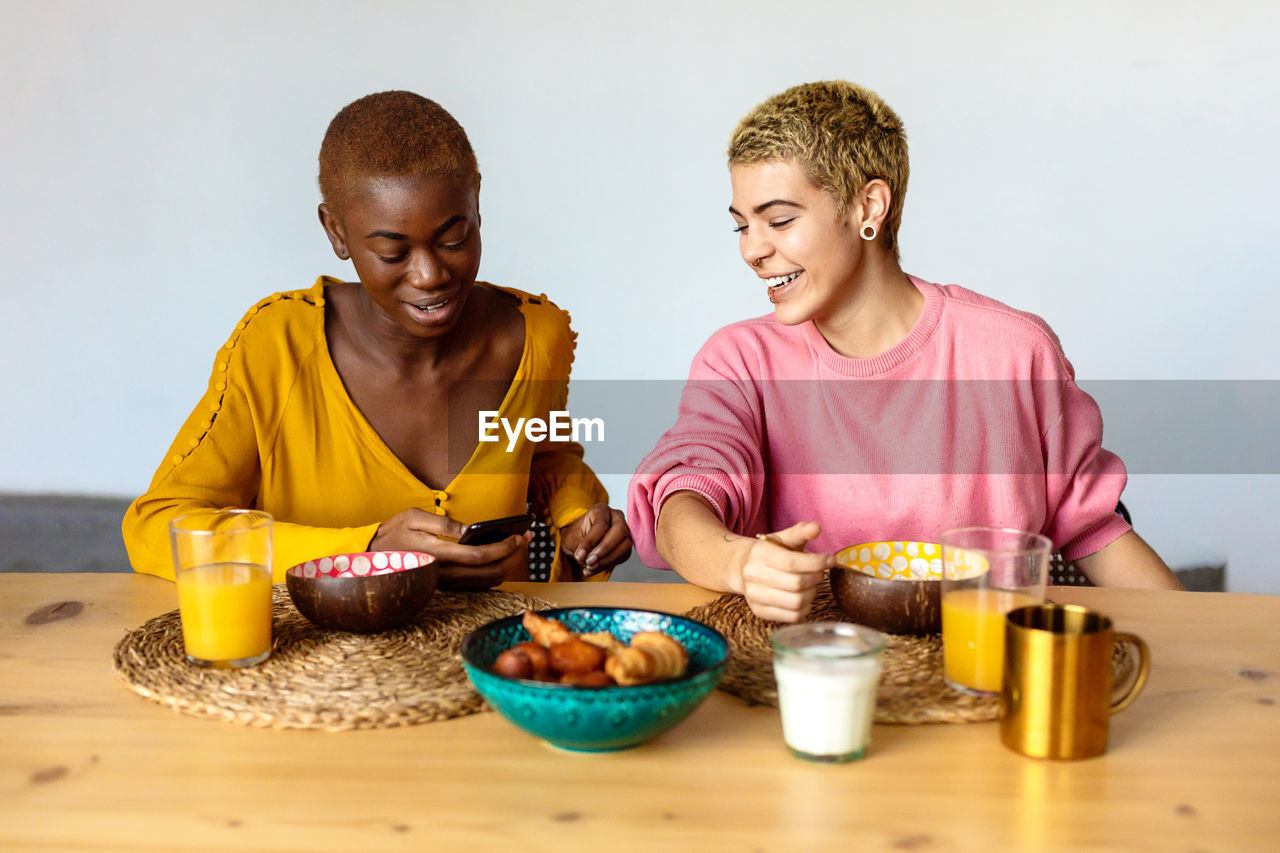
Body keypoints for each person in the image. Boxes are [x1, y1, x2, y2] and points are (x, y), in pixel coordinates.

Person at [627, 80, 1181, 622]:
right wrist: (738, 562)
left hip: (981, 670)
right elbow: (685, 496)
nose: (753, 249)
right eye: (741, 227)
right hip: (815, 673)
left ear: (869, 206)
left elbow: (1093, 529)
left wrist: (1220, 645)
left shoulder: (1014, 352)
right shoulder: (739, 361)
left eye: (779, 220)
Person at [123, 90, 631, 585]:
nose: (430, 274)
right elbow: (158, 527)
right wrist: (366, 551)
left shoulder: (533, 336)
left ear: (477, 203)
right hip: (319, 664)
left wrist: (580, 521)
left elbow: (544, 458)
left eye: (454, 239)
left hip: (492, 657)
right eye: (393, 253)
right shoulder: (276, 347)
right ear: (336, 232)